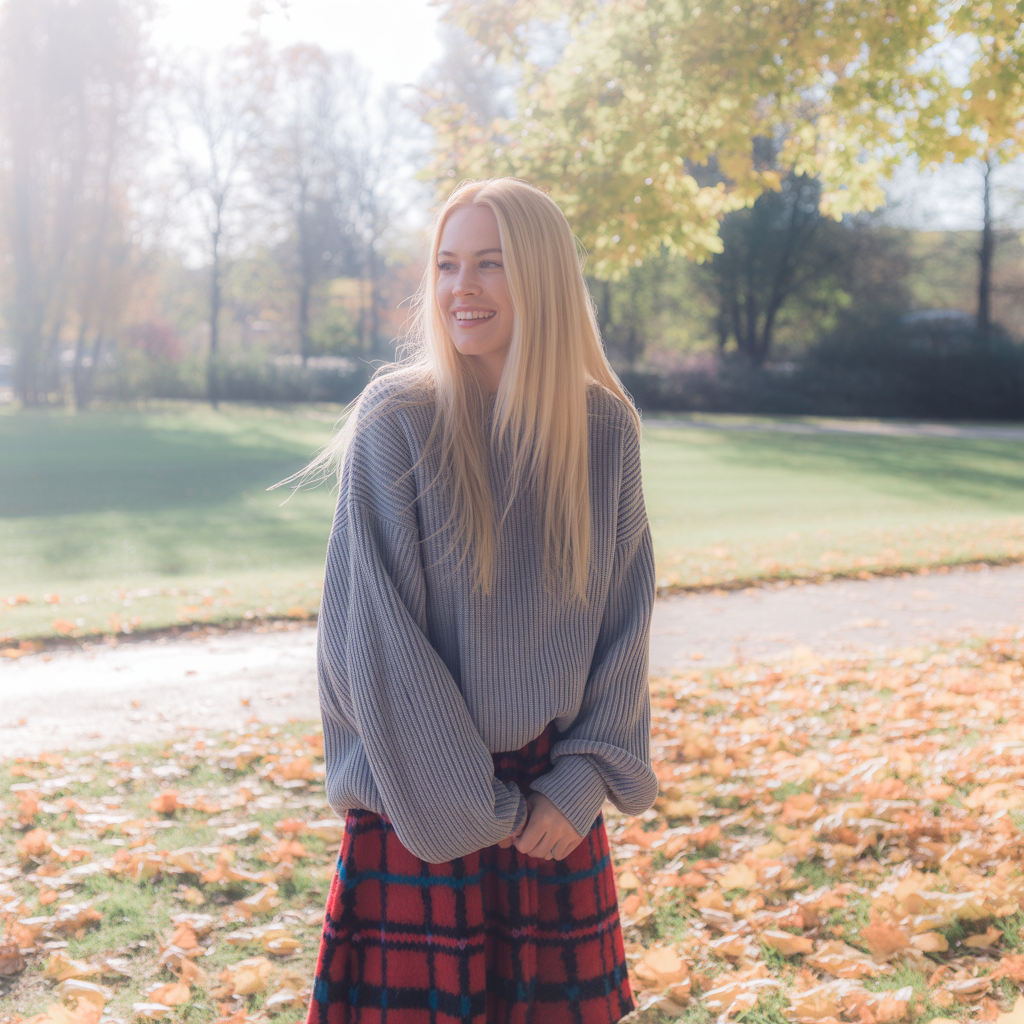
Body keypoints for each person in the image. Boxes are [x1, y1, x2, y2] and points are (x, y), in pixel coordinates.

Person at [304, 177, 658, 1024]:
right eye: (448, 264)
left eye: (490, 264)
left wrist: (580, 781)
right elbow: (372, 643)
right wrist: (473, 808)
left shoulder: (605, 430)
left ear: (542, 278)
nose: (461, 288)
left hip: (551, 814)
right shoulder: (398, 419)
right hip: (417, 804)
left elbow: (626, 625)